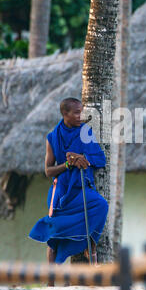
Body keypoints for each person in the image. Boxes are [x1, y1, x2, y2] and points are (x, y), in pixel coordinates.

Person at [29, 97, 109, 267]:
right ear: (65, 114)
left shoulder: (85, 132)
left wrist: (83, 158)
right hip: (62, 192)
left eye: (82, 112)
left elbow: (100, 159)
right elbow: (48, 170)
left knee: (101, 205)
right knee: (54, 230)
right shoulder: (52, 137)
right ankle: (50, 281)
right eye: (77, 113)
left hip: (81, 189)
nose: (81, 116)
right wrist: (67, 164)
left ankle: (90, 249)